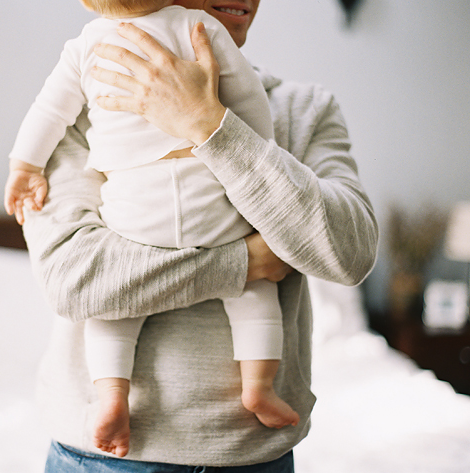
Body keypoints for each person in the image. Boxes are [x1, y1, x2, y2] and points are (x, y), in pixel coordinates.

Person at [21, 0, 378, 470]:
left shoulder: (304, 109)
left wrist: (208, 124)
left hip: (258, 456)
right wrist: (246, 264)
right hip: (101, 461)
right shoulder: (94, 97)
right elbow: (74, 282)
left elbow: (348, 254)